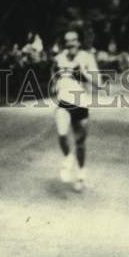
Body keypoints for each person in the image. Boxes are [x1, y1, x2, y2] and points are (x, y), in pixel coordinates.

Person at [52, 29, 99, 191]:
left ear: (79, 42)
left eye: (73, 40)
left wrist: (84, 74)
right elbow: (55, 77)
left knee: (80, 143)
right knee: (62, 134)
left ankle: (80, 175)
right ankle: (68, 158)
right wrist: (55, 86)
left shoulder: (87, 57)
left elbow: (99, 83)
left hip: (81, 104)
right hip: (64, 103)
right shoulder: (59, 58)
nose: (70, 43)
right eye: (67, 40)